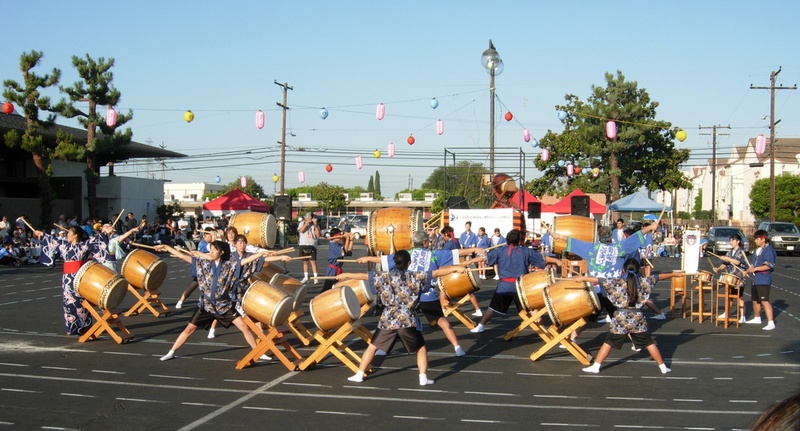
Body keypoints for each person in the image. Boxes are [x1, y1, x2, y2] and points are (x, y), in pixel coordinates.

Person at [343, 250, 467, 385]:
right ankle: (423, 378)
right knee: (420, 348)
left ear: (394, 262)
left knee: (372, 347)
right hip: (407, 319)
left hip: (388, 318)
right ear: (409, 263)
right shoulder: (416, 276)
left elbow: (363, 276)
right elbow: (437, 273)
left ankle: (359, 375)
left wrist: (346, 275)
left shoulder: (384, 276)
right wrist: (456, 268)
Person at [155, 240, 290, 361]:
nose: (211, 252)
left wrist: (261, 254)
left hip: (224, 305)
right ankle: (171, 352)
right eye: (211, 250)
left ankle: (257, 352)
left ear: (222, 252)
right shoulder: (204, 263)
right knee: (189, 329)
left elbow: (247, 260)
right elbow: (183, 256)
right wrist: (166, 246)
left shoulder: (230, 265)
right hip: (206, 305)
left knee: (244, 327)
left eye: (214, 250)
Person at [355, 231, 484, 356]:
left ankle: (382, 349)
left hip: (407, 296)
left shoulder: (406, 254)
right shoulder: (434, 254)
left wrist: (367, 258)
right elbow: (456, 253)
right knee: (442, 322)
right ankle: (457, 348)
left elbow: (383, 260)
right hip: (427, 296)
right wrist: (475, 250)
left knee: (396, 321)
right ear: (425, 242)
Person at [575, 258, 678, 374]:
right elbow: (659, 276)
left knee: (609, 342)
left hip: (621, 317)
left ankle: (596, 366)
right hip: (638, 317)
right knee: (649, 343)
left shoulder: (617, 282)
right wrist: (673, 274)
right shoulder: (645, 281)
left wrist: (582, 278)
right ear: (639, 270)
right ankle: (663, 367)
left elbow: (599, 280)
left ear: (623, 270)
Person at [471, 229, 562, 333]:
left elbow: (483, 258)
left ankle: (481, 326)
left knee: (493, 308)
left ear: (507, 240)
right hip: (521, 286)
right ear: (519, 241)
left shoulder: (500, 251)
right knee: (531, 308)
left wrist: (467, 262)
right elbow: (542, 258)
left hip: (504, 286)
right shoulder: (525, 251)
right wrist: (556, 260)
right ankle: (542, 329)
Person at [33, 226, 109, 335]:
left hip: (80, 277)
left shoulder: (84, 245)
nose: (67, 235)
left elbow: (97, 241)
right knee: (68, 303)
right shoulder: (64, 245)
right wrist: (41, 234)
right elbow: (53, 240)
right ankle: (71, 327)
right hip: (67, 279)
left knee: (80, 303)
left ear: (75, 235)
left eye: (69, 233)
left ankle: (84, 327)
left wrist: (105, 233)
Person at [744, 230, 777, 330]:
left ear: (763, 239)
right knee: (755, 300)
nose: (755, 241)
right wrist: (748, 271)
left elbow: (769, 265)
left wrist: (755, 269)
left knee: (764, 301)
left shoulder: (769, 250)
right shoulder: (757, 250)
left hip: (764, 279)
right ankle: (757, 318)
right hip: (756, 279)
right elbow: (753, 264)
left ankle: (771, 322)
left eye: (757, 239)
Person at [175, 227, 214, 309]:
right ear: (205, 235)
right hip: (201, 268)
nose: (211, 237)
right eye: (210, 235)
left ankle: (182, 301)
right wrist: (215, 238)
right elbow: (212, 248)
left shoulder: (207, 243)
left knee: (198, 286)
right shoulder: (202, 244)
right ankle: (181, 300)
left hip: (208, 269)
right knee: (194, 286)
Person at [713, 233, 748, 324]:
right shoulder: (730, 252)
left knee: (739, 297)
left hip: (739, 278)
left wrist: (727, 258)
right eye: (730, 240)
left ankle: (743, 316)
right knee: (729, 296)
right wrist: (718, 268)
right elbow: (725, 264)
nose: (731, 242)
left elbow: (737, 262)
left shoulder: (741, 252)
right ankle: (726, 313)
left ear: (738, 241)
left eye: (732, 240)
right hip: (729, 278)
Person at [298, 212, 320, 283]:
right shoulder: (302, 223)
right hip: (303, 244)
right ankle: (306, 277)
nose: (309, 219)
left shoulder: (315, 225)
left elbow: (318, 235)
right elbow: (301, 230)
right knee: (305, 262)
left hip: (312, 245)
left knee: (313, 262)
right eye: (308, 217)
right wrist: (306, 223)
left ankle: (315, 278)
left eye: (310, 218)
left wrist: (316, 226)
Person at [322, 227, 345, 292]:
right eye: (339, 235)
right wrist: (347, 238)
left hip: (337, 270)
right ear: (335, 236)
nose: (340, 237)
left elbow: (348, 251)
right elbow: (344, 252)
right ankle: (319, 298)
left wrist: (350, 240)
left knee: (337, 288)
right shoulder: (333, 245)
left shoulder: (338, 244)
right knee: (327, 288)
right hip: (332, 270)